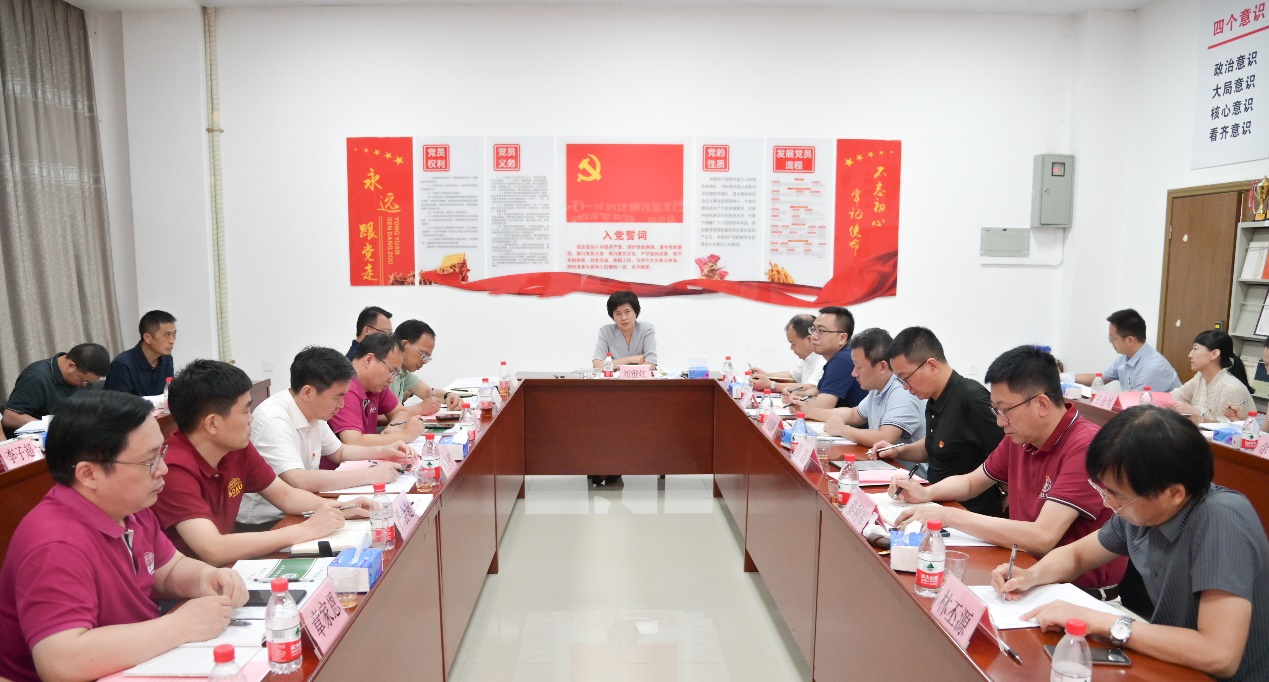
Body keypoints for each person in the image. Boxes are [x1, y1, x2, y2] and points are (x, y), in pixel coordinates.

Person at [991, 407, 1269, 681]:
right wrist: (1030, 576)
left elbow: (1219, 654)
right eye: (1103, 489)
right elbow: (1078, 555)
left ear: (1174, 493)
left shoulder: (1221, 519)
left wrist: (1100, 620)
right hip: (1171, 666)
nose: (1107, 503)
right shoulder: (1142, 511)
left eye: (1117, 495)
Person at [0, 391, 248, 682]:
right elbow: (61, 662)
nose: (163, 469)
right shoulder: (56, 544)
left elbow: (168, 570)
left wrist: (207, 577)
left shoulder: (129, 507)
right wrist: (180, 626)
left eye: (161, 453)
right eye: (149, 461)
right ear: (89, 474)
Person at [892, 345, 1127, 594]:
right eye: (996, 410)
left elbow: (1042, 536)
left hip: (1077, 591)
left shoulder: (1085, 447)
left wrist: (948, 516)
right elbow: (972, 482)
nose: (999, 421)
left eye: (1005, 410)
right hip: (1025, 570)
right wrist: (926, 493)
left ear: (1042, 404)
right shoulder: (1020, 437)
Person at [151, 360, 366, 567]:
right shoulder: (173, 468)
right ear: (213, 424)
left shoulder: (236, 447)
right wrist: (307, 529)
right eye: (245, 411)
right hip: (189, 581)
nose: (251, 418)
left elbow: (285, 495)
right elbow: (213, 549)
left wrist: (340, 509)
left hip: (223, 567)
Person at [236, 347, 416, 529]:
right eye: (337, 397)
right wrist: (370, 475)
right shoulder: (274, 419)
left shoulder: (312, 409)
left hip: (303, 507)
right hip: (267, 522)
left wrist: (383, 451)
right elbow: (298, 480)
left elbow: (340, 451)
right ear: (308, 392)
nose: (342, 405)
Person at [873, 327, 1005, 518]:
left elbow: (1007, 458)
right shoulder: (934, 398)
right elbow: (934, 446)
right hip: (936, 502)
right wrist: (898, 450)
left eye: (906, 378)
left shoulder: (971, 399)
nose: (905, 387)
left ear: (932, 366)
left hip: (968, 512)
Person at [820, 328, 925, 449]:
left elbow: (886, 438)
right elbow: (854, 415)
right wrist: (809, 411)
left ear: (882, 367)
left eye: (859, 367)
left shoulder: (902, 390)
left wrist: (841, 429)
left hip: (900, 461)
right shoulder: (878, 387)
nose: (854, 373)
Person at [329, 333, 426, 447]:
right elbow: (354, 441)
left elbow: (400, 411)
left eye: (396, 374)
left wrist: (394, 427)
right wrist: (406, 435)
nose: (392, 380)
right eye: (391, 371)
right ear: (369, 360)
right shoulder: (345, 388)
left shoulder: (375, 385)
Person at [2, 343, 111, 437]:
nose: (84, 385)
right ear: (70, 366)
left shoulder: (82, 376)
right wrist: (54, 425)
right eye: (84, 381)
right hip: (42, 441)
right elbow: (10, 418)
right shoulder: (36, 377)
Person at [786, 307, 867, 421]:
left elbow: (821, 407)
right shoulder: (836, 358)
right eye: (813, 329)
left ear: (842, 338)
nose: (813, 336)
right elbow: (819, 391)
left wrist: (799, 403)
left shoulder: (842, 360)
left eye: (821, 331)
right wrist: (798, 394)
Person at [1075, 309, 1181, 391]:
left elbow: (1136, 405)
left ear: (1130, 340)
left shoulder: (1153, 367)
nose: (1111, 342)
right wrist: (1068, 378)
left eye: (1113, 339)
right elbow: (1099, 379)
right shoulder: (1124, 358)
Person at [1170, 330, 1254, 424]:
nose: (1190, 355)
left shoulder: (1231, 388)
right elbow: (1175, 396)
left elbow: (1227, 429)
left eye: (1195, 349)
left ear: (1214, 354)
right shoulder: (1200, 378)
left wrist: (1196, 414)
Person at [391, 320, 463, 416]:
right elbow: (375, 417)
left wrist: (448, 396)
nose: (424, 361)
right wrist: (418, 409)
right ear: (404, 345)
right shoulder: (385, 373)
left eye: (427, 358)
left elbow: (428, 392)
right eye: (423, 354)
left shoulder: (403, 372)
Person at [104, 310, 177, 397]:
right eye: (167, 334)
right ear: (147, 338)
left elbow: (169, 394)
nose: (172, 340)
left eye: (174, 334)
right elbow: (120, 403)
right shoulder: (122, 365)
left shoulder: (167, 359)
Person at [750, 314, 825, 394]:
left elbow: (812, 388)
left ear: (810, 339)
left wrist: (771, 385)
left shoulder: (823, 360)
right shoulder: (808, 358)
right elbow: (792, 376)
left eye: (793, 343)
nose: (791, 348)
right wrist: (766, 375)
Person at [592, 290, 657, 370]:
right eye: (618, 314)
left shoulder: (646, 329)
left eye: (627, 312)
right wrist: (630, 359)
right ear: (612, 316)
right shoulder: (605, 331)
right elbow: (597, 365)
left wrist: (617, 366)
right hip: (617, 378)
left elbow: (651, 364)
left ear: (635, 312)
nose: (623, 318)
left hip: (640, 378)